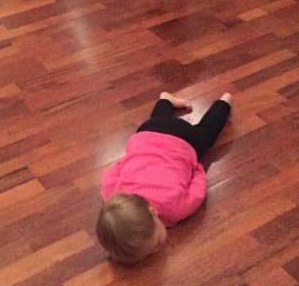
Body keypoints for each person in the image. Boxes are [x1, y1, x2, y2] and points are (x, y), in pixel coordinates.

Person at [97, 91, 233, 264]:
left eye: (154, 245)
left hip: (183, 139)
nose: (155, 250)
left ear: (154, 212)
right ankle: (165, 101)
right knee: (159, 120)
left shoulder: (174, 209)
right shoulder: (111, 194)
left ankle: (223, 103)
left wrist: (198, 168)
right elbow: (111, 173)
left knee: (206, 133)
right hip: (146, 133)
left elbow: (197, 191)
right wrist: (126, 161)